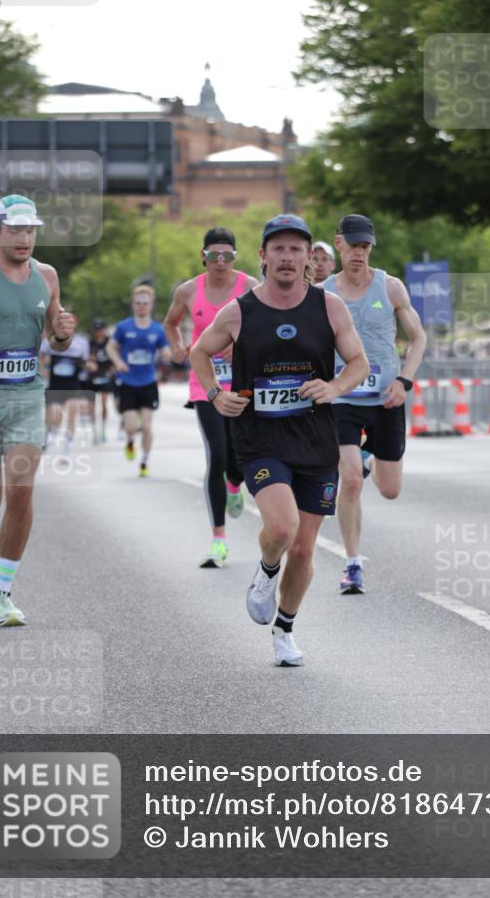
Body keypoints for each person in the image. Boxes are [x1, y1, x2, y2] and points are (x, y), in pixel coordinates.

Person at [190, 213, 369, 666]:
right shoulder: (240, 311)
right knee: (283, 528)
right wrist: (215, 394)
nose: (287, 257)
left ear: (308, 257)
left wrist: (334, 387)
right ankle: (268, 569)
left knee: (305, 549)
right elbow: (199, 352)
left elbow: (359, 364)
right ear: (263, 257)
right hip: (260, 438)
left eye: (296, 249)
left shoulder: (330, 307)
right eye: (278, 249)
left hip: (315, 438)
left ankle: (285, 629)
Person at [0, 194, 76, 626]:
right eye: (15, 230)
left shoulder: (47, 275)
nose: (24, 238)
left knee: (22, 489)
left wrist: (62, 333)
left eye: (30, 230)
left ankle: (1, 594)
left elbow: (56, 338)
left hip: (26, 397)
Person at [322, 214, 426, 594]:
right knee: (349, 479)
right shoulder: (323, 294)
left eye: (365, 246)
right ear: (339, 244)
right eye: (353, 246)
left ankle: (370, 459)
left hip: (385, 398)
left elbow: (418, 338)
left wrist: (404, 380)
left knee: (390, 490)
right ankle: (352, 564)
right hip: (343, 397)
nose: (359, 253)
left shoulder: (391, 287)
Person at [164, 228, 259, 568]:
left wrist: (242, 344)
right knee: (217, 454)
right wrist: (177, 347)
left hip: (243, 383)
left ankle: (235, 484)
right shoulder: (189, 291)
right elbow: (171, 323)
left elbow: (263, 326)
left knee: (238, 457)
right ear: (203, 257)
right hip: (205, 384)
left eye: (227, 255)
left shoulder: (249, 287)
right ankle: (219, 540)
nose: (221, 262)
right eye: (214, 255)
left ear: (235, 257)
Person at [107, 284, 171, 477]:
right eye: (138, 303)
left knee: (148, 426)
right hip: (128, 383)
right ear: (133, 304)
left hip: (148, 382)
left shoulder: (157, 329)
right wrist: (118, 362)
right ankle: (130, 441)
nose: (142, 306)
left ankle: (144, 461)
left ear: (151, 304)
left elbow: (165, 350)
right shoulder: (123, 327)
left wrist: (166, 355)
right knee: (131, 427)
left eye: (145, 303)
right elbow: (110, 348)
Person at [40, 316, 90, 462]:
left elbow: (85, 362)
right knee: (54, 416)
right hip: (55, 385)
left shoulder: (81, 342)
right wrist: (42, 369)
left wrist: (88, 367)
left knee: (72, 415)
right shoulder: (52, 340)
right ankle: (51, 433)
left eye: (71, 325)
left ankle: (65, 452)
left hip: (73, 385)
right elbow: (41, 355)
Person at [87, 317, 114, 442]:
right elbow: (86, 359)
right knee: (92, 406)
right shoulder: (90, 343)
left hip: (105, 375)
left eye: (101, 329)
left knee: (104, 403)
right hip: (92, 376)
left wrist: (113, 367)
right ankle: (94, 432)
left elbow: (114, 356)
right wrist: (90, 361)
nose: (99, 332)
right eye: (96, 330)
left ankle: (103, 429)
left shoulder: (110, 342)